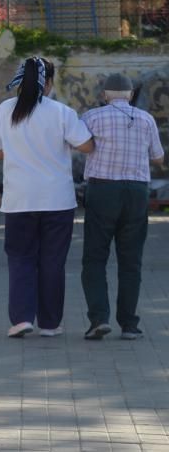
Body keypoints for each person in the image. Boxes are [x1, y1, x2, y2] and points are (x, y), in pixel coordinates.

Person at [0, 57, 94, 339]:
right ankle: (50, 323)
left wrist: (21, 149)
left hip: (19, 199)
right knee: (52, 261)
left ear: (20, 81)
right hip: (57, 200)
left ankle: (21, 319)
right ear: (48, 83)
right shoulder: (62, 112)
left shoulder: (4, 110)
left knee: (20, 258)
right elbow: (85, 145)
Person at [80, 73, 165, 341]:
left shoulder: (92, 117)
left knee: (95, 257)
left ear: (105, 94)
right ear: (130, 95)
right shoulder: (146, 119)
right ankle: (129, 324)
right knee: (131, 261)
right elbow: (159, 158)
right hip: (137, 192)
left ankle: (98, 320)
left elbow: (80, 146)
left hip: (103, 190)